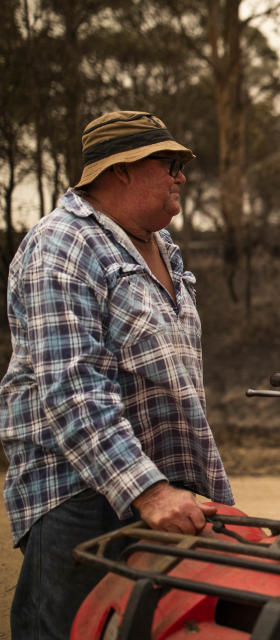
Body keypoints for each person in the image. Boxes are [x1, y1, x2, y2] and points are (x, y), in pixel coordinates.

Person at [0, 110, 235, 639]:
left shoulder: (161, 247)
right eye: (168, 163)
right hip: (81, 498)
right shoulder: (60, 246)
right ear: (120, 171)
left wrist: (198, 488)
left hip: (160, 492)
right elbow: (72, 388)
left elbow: (176, 385)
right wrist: (149, 494)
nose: (180, 175)